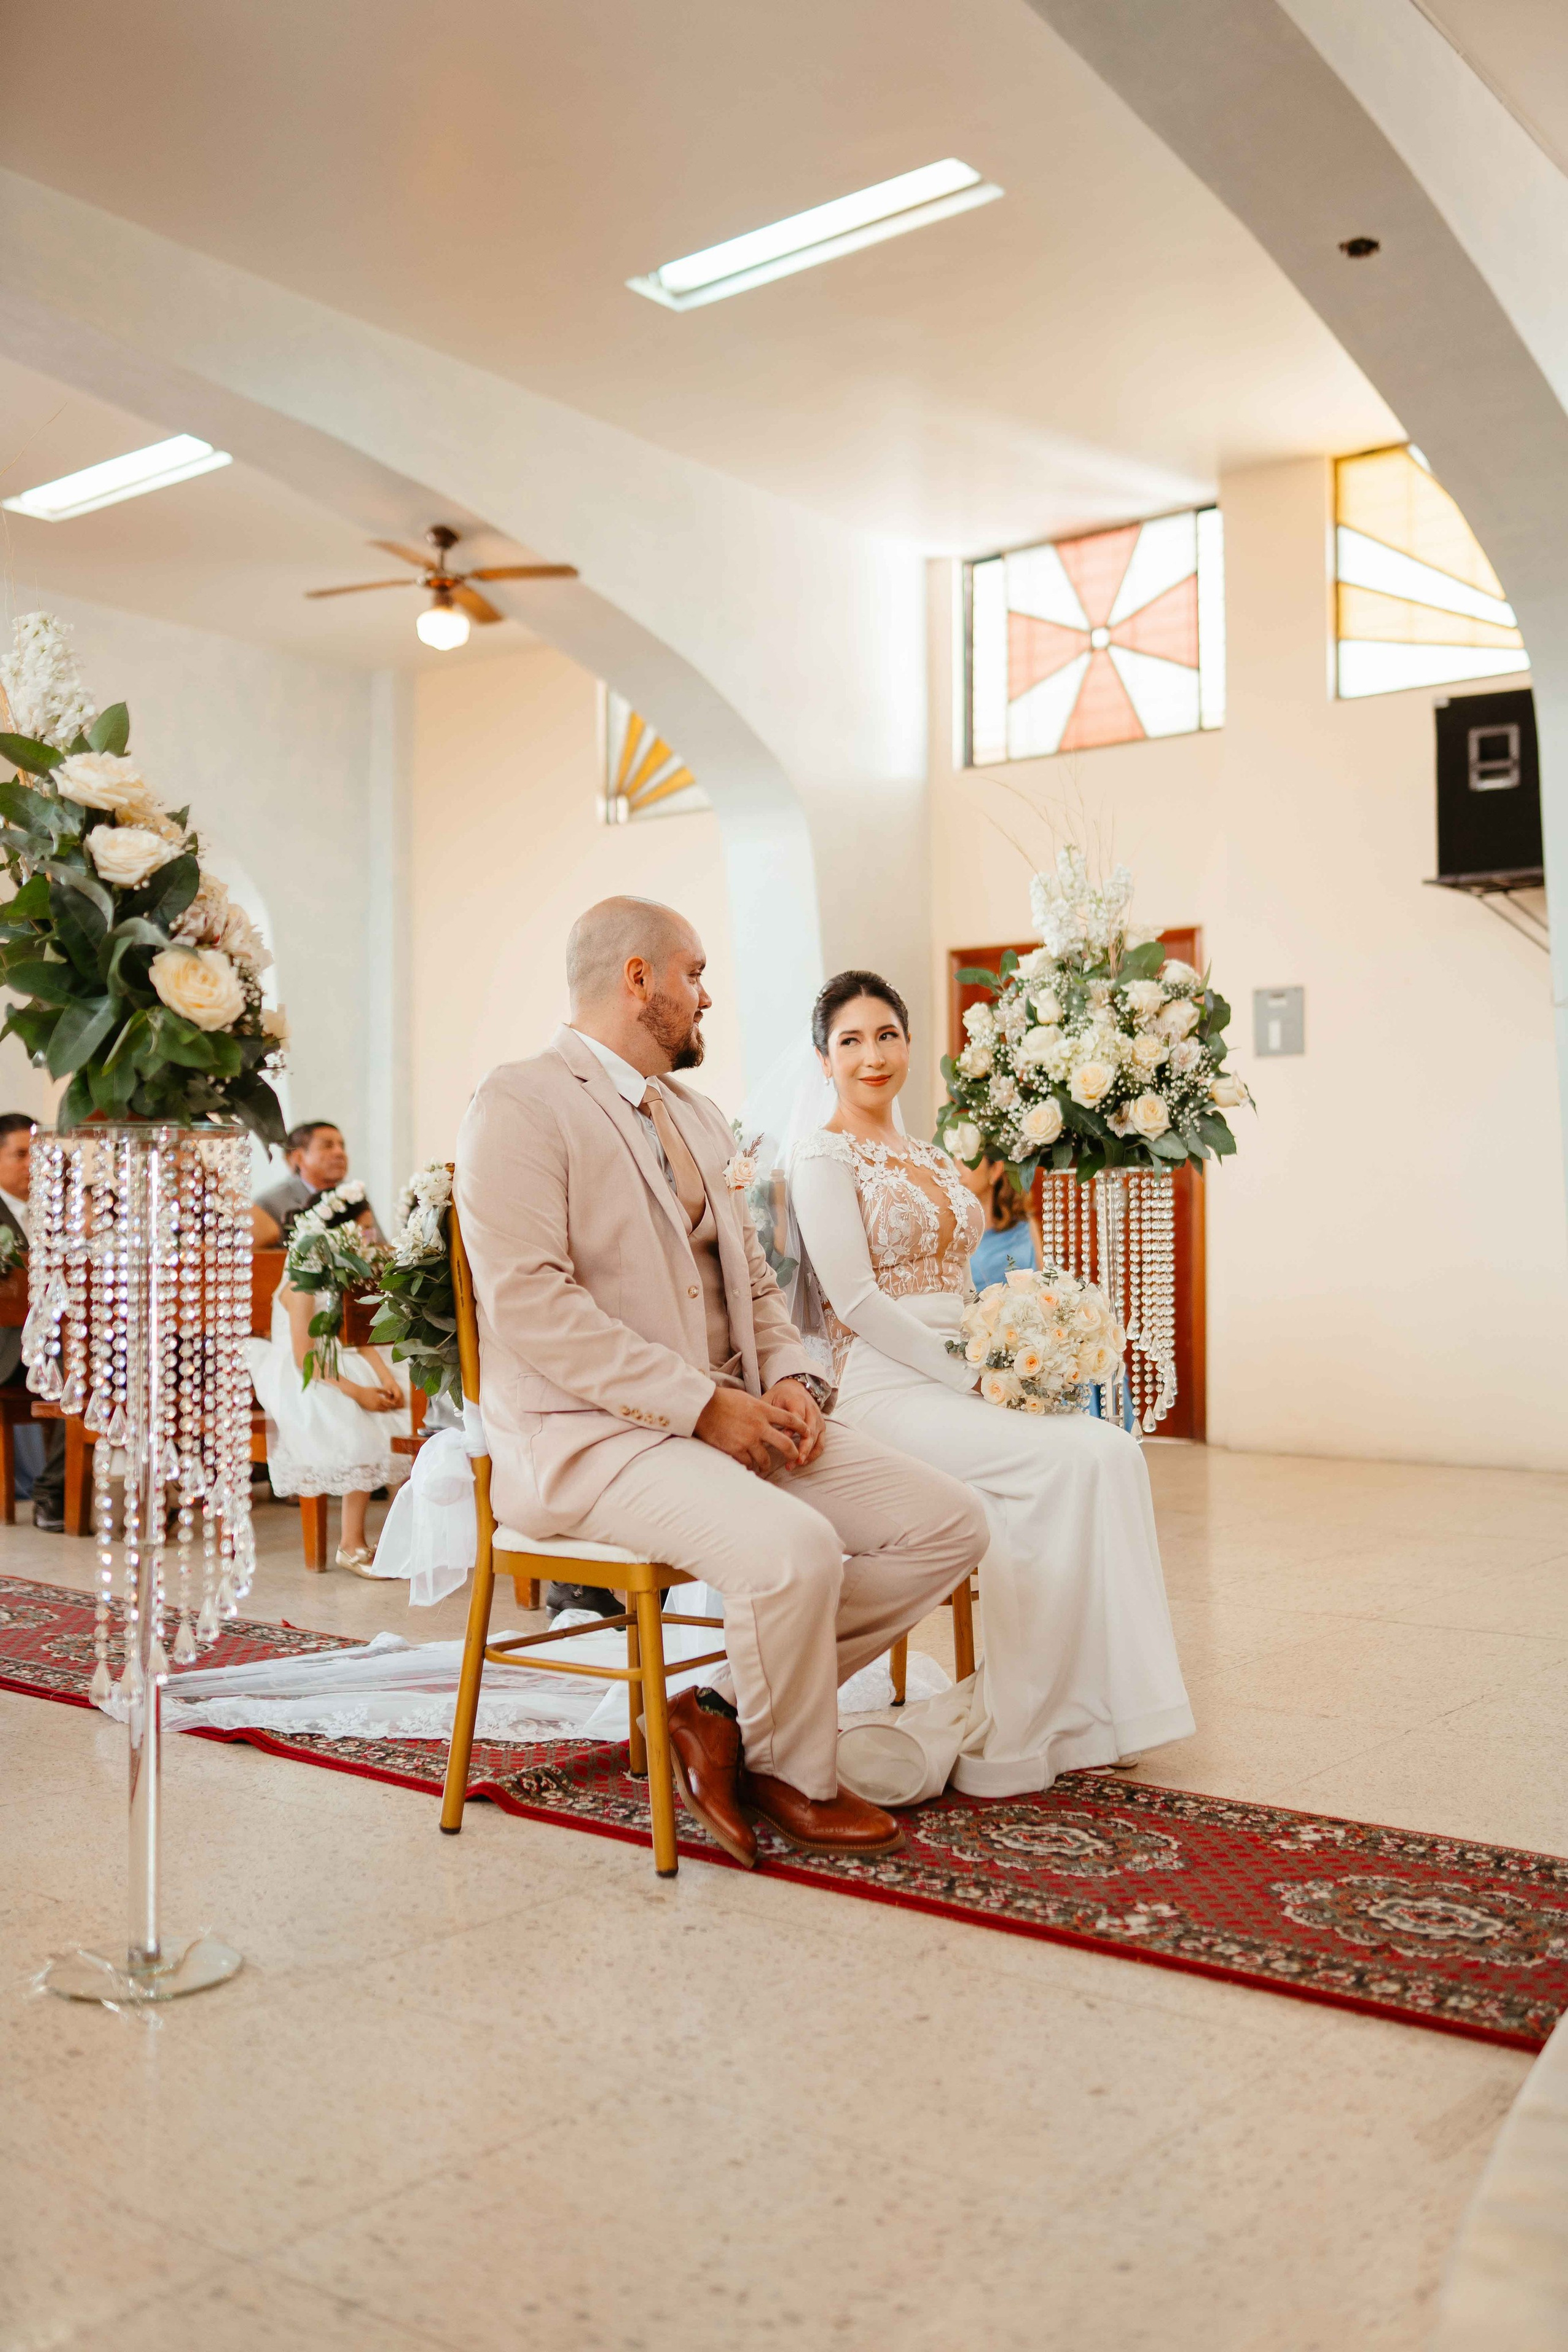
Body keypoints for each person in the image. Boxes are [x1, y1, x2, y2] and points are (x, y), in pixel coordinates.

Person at [454, 897, 988, 1869]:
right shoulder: (520, 1101)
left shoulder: (698, 1115)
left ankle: (719, 1716)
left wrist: (789, 1380)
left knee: (948, 1521)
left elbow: (751, 1280)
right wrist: (702, 1405)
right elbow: (533, 1307)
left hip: (726, 1415)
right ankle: (796, 1777)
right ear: (637, 978)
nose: (707, 996)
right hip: (590, 1439)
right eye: (694, 974)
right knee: (795, 1549)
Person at [786, 970, 1194, 1795]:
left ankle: (1101, 1712)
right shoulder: (822, 1155)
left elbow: (968, 1283)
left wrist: (1017, 1347)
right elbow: (857, 1300)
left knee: (1108, 1451)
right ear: (824, 1060)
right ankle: (1025, 1721)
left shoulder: (933, 1155)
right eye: (852, 1042)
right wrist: (963, 1372)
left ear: (909, 1045)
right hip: (883, 1384)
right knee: (1058, 1465)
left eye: (888, 1036)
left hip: (962, 1366)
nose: (873, 1056)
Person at [245, 1191, 410, 1570]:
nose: (372, 1238)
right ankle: (352, 1542)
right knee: (351, 1416)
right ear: (338, 1234)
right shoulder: (303, 1281)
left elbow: (357, 1336)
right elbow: (305, 1356)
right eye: (364, 1230)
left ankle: (404, 1535)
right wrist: (359, 1393)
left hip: (344, 1357)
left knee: (405, 1406)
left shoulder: (344, 1272)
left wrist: (386, 1379)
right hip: (304, 1369)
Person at [0, 1114, 65, 1529]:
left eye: (42, 1154)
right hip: (7, 1344)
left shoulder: (63, 1213)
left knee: (95, 1356)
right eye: (22, 1154)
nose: (34, 1165)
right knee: (70, 1359)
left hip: (50, 1338)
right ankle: (54, 1494)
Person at [252, 1121, 382, 1247]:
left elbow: (381, 1246)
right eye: (328, 1146)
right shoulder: (270, 1203)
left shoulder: (355, 1196)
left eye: (342, 1146)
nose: (340, 1153)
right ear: (299, 1158)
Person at [959, 1156, 1039, 1291]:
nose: (958, 1171)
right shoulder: (953, 1231)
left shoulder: (1025, 1226)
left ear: (995, 1169)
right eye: (955, 1161)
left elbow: (1046, 1278)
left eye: (966, 1161)